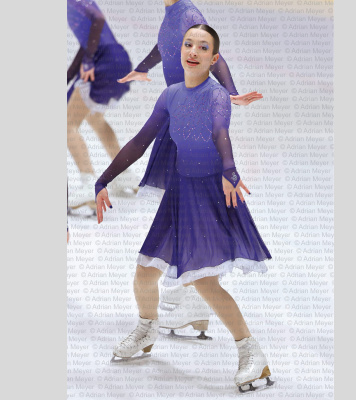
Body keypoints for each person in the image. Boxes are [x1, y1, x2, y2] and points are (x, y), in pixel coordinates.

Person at [95, 24, 274, 393]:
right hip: (178, 192)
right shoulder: (171, 95)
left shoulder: (216, 95)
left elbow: (220, 132)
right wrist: (104, 179)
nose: (193, 51)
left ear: (214, 58)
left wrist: (230, 170)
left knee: (202, 280)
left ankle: (252, 354)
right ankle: (147, 329)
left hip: (210, 193)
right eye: (188, 44)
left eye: (203, 47)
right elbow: (140, 141)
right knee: (145, 272)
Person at [118, 0, 264, 327]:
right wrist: (143, 67)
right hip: (178, 114)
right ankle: (192, 288)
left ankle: (197, 297)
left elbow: (214, 55)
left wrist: (231, 92)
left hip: (192, 118)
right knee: (182, 208)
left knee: (193, 208)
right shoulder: (173, 12)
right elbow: (166, 45)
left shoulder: (188, 13)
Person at [67, 0, 140, 209]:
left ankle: (88, 183)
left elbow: (99, 19)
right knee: (95, 117)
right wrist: (69, 76)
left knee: (67, 125)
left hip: (104, 61)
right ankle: (124, 174)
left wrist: (89, 60)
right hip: (118, 59)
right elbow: (86, 44)